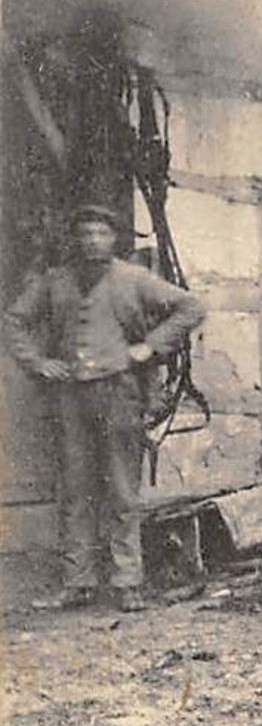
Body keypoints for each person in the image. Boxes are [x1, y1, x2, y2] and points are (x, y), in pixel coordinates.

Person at [5, 204, 205, 613]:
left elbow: (191, 308)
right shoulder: (54, 281)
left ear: (113, 238)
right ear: (74, 239)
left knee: (122, 490)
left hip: (120, 394)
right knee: (75, 489)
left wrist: (149, 346)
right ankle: (78, 581)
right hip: (70, 396)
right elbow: (14, 320)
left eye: (100, 233)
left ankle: (127, 580)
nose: (92, 240)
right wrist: (39, 362)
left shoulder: (133, 278)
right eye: (85, 234)